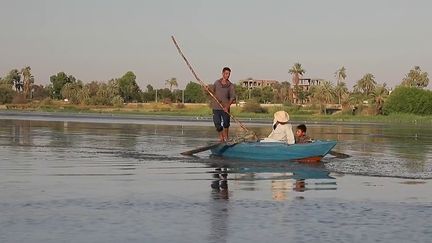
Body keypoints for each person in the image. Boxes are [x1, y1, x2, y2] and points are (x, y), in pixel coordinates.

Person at [210, 67, 236, 142]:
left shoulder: (230, 85)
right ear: (223, 73)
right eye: (226, 74)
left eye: (229, 74)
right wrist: (208, 89)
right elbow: (212, 92)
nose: (228, 75)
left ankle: (226, 138)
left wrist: (227, 107)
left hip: (225, 108)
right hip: (216, 107)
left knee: (226, 124)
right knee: (217, 124)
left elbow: (232, 98)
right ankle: (221, 138)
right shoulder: (217, 83)